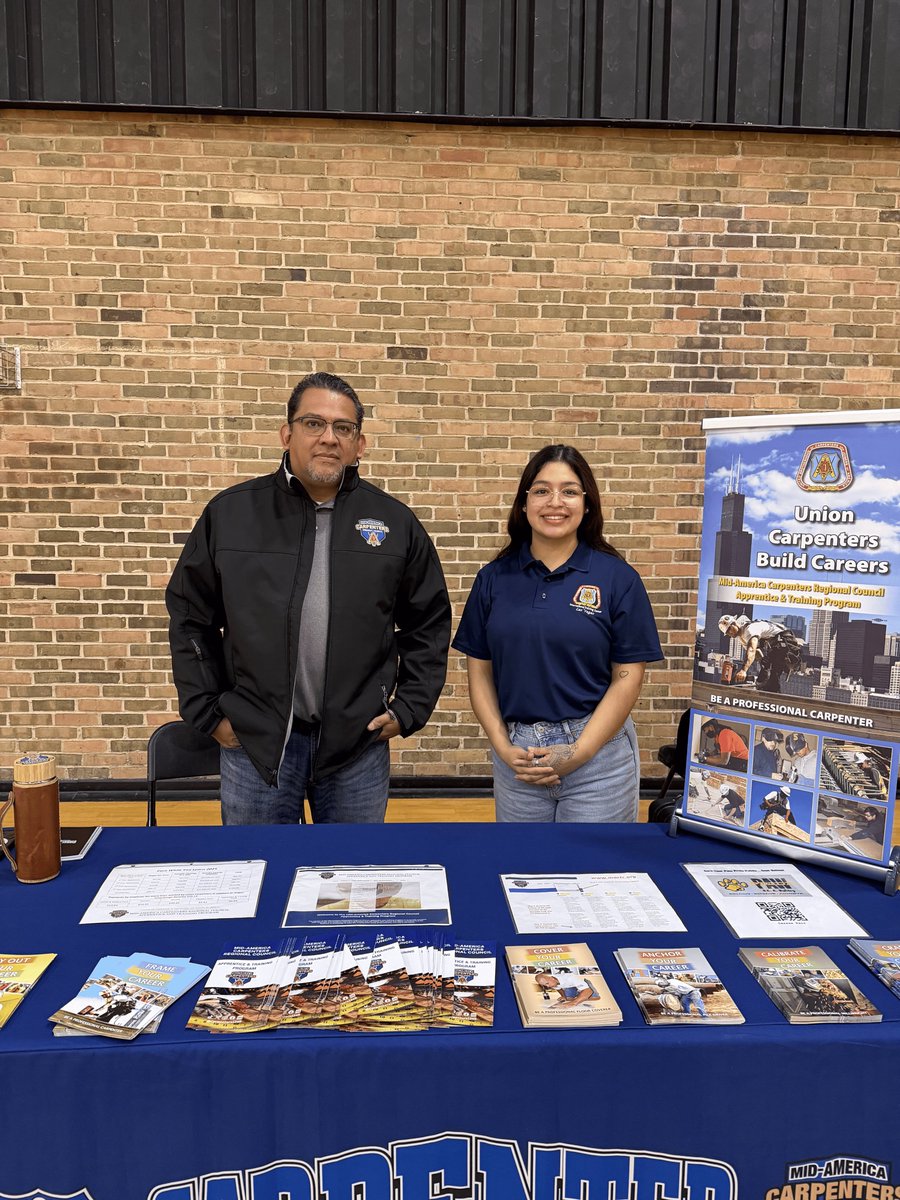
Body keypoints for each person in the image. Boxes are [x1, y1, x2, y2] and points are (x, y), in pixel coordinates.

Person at [166, 371, 451, 825]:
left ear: (360, 444)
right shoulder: (232, 515)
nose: (329, 438)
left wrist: (409, 707)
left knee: (351, 881)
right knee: (258, 874)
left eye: (344, 428)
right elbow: (189, 618)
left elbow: (428, 624)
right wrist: (209, 713)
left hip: (357, 747)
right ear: (287, 434)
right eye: (313, 423)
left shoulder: (394, 524)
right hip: (257, 746)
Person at [452, 444, 663, 822]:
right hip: (519, 756)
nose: (555, 502)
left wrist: (579, 751)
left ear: (587, 504)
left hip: (598, 757)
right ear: (524, 503)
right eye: (541, 490)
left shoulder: (617, 579)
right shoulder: (493, 579)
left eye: (569, 491)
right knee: (523, 874)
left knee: (597, 876)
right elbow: (479, 672)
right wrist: (502, 744)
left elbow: (628, 678)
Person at [718, 614, 804, 694]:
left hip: (784, 641)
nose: (730, 633)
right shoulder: (742, 638)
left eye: (730, 628)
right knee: (764, 676)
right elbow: (756, 652)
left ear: (734, 623)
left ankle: (774, 698)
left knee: (773, 675)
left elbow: (751, 650)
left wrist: (743, 670)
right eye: (727, 632)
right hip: (775, 645)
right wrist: (763, 663)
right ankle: (765, 692)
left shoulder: (750, 629)